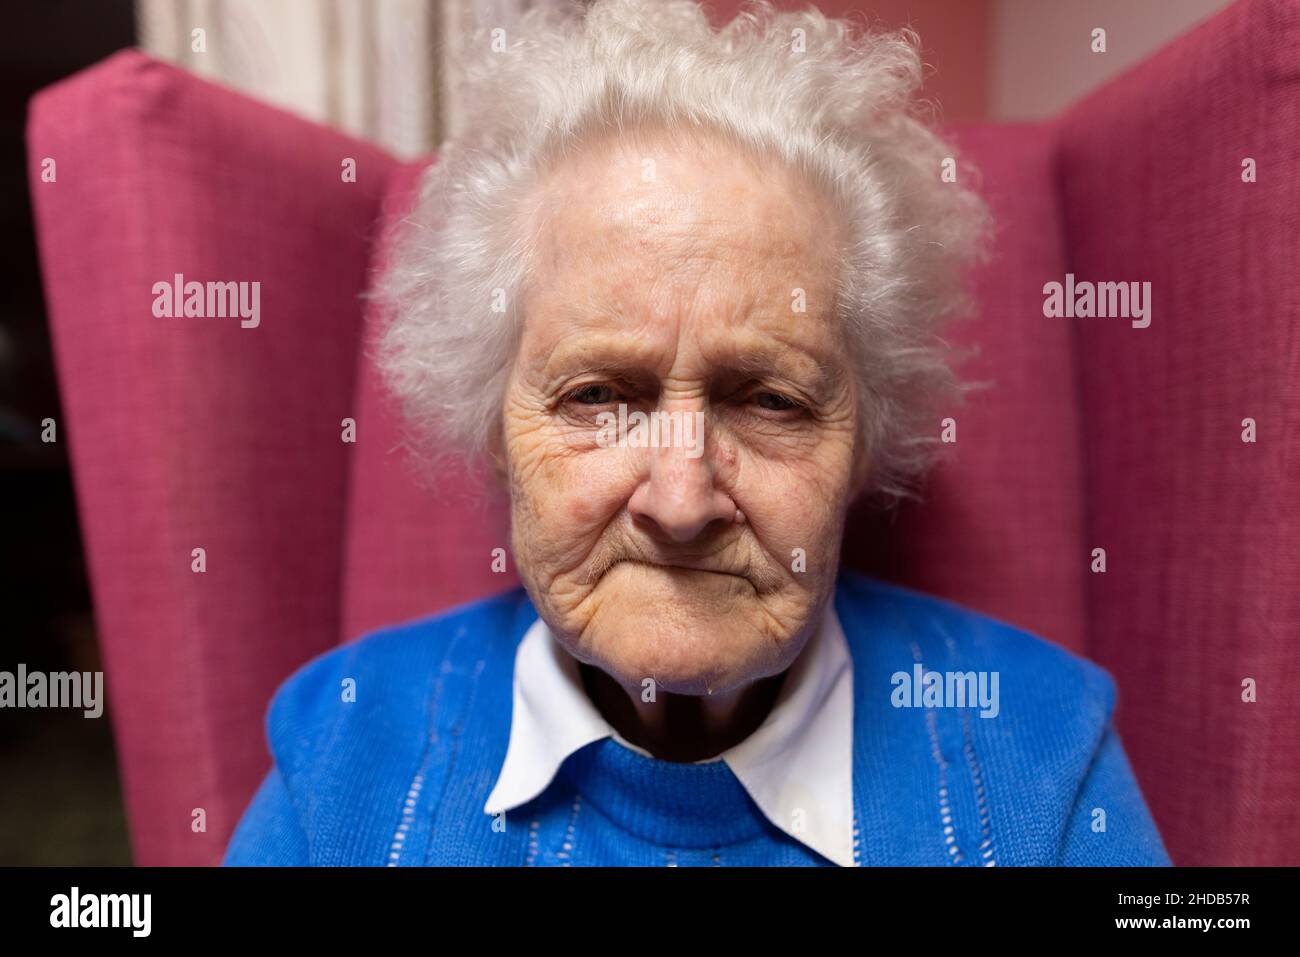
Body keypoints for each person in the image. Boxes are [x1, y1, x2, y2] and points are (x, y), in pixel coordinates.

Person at [224, 0, 1170, 867]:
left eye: (769, 401)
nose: (681, 503)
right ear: (495, 429)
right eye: (598, 395)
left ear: (865, 445)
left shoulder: (1039, 746)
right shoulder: (341, 752)